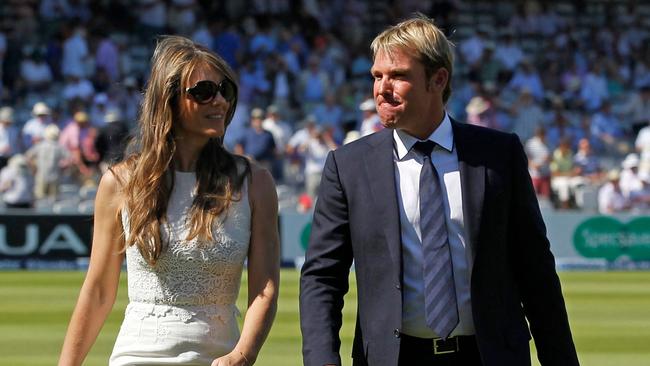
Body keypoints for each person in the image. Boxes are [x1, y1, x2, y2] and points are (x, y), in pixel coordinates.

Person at [300, 14, 578, 366]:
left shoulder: (498, 154)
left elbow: (535, 271)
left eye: (398, 76)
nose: (381, 88)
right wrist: (322, 360)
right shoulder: (348, 165)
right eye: (376, 76)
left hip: (489, 356)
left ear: (438, 79)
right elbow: (323, 276)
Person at [59, 35, 279, 366]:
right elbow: (99, 291)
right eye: (204, 92)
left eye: (226, 90)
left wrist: (243, 355)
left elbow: (265, 289)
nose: (219, 101)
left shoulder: (255, 183)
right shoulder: (119, 182)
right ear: (168, 101)